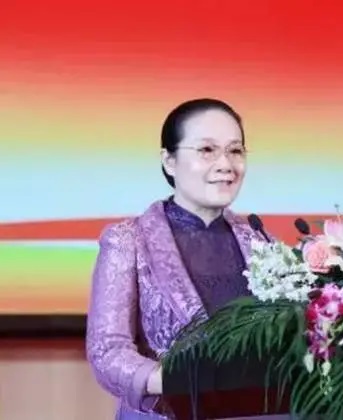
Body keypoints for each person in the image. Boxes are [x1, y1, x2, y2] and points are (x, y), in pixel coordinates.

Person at [86, 98, 279, 419]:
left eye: (235, 150)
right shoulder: (128, 241)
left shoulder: (261, 242)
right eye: (207, 150)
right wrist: (177, 380)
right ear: (169, 161)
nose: (226, 164)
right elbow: (107, 352)